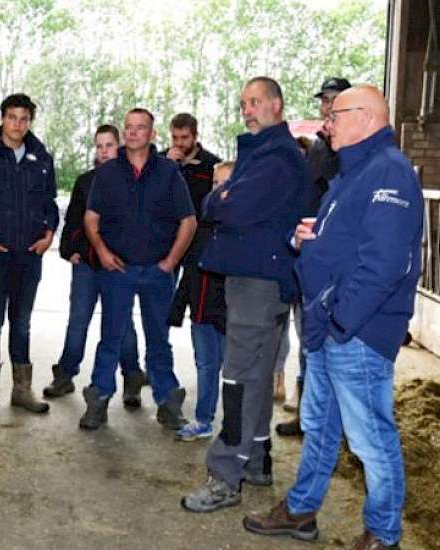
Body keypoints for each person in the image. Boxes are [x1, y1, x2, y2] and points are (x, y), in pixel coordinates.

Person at [243, 85, 421, 550]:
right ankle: (302, 511)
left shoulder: (390, 174)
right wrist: (311, 237)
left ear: (364, 117)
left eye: (335, 115)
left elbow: (384, 264)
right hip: (329, 327)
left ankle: (383, 534)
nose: (327, 123)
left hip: (355, 333)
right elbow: (349, 241)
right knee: (319, 426)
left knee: (370, 439)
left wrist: (342, 321)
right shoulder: (353, 172)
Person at [180, 77, 306, 512]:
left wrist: (219, 195)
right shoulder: (266, 154)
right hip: (259, 278)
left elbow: (225, 208)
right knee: (254, 375)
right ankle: (256, 459)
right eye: (242, 104)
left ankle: (224, 475)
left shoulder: (276, 159)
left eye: (255, 102)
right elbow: (224, 204)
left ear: (277, 104)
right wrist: (223, 196)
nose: (247, 110)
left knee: (235, 377)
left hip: (258, 280)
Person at [79, 108, 197, 430]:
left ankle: (167, 402)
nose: (132, 133)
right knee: (111, 337)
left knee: (158, 339)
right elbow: (91, 218)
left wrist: (171, 262)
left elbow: (189, 221)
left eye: (139, 128)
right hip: (117, 270)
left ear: (151, 134)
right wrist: (102, 251)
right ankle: (99, 399)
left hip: (158, 273)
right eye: (128, 127)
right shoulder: (107, 174)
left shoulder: (169, 173)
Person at [44, 124, 145, 408]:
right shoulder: (85, 182)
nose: (103, 151)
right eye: (99, 146)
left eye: (109, 145)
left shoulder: (133, 180)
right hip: (87, 265)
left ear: (120, 146)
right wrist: (70, 251)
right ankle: (65, 374)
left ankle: (132, 379)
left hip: (119, 265)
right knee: (78, 319)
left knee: (123, 324)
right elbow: (74, 220)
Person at [0, 93, 58, 416]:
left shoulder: (41, 157)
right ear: (2, 118)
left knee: (21, 323)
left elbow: (50, 203)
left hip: (28, 255)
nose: (17, 125)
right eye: (12, 117)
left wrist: (49, 235)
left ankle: (22, 389)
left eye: (24, 118)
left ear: (30, 121)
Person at [275, 76, 351, 438]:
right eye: (324, 101)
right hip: (309, 252)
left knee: (327, 337)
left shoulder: (352, 148)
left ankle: (328, 418)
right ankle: (309, 415)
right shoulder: (321, 147)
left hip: (335, 257)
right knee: (309, 334)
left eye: (334, 100)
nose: (326, 106)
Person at [168, 160, 232, 441]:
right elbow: (188, 271)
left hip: (232, 315)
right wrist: (177, 308)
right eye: (215, 184)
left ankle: (235, 426)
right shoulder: (200, 228)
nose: (219, 190)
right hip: (201, 311)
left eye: (227, 184)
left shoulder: (244, 232)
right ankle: (203, 419)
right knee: (206, 365)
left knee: (233, 371)